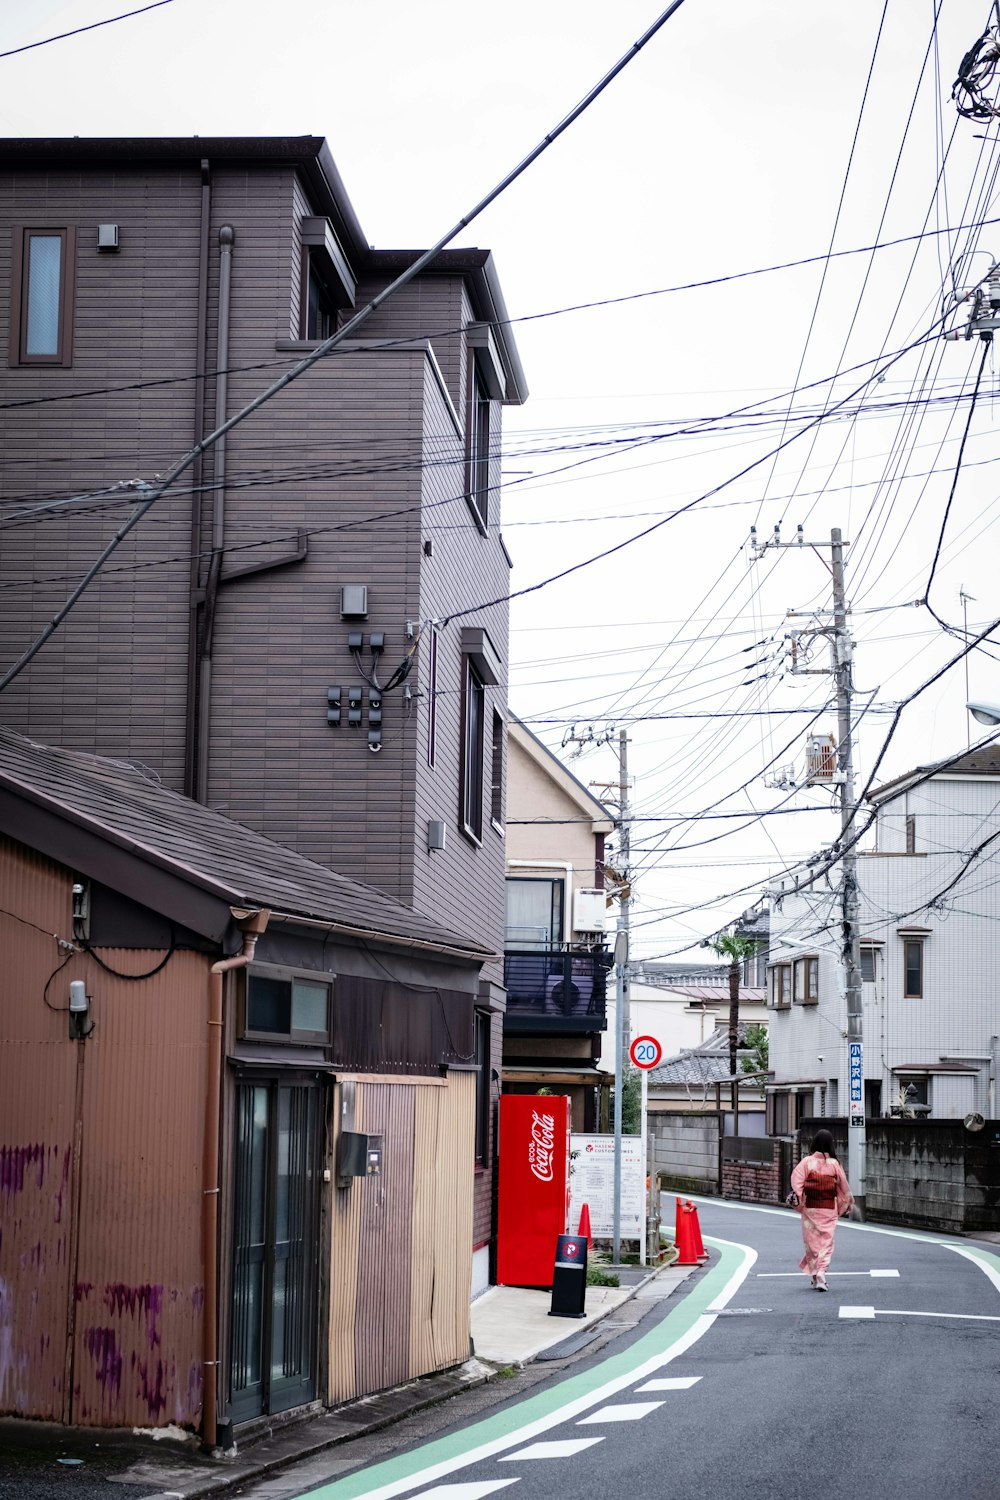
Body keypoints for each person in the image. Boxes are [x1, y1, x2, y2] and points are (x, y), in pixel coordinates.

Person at [790, 1129, 854, 1291]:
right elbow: (843, 1187)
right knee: (826, 1243)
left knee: (812, 1244)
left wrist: (799, 1199)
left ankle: (815, 1275)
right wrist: (847, 1203)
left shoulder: (807, 1162)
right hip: (828, 1208)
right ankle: (820, 1273)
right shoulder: (834, 1164)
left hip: (811, 1208)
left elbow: (796, 1182)